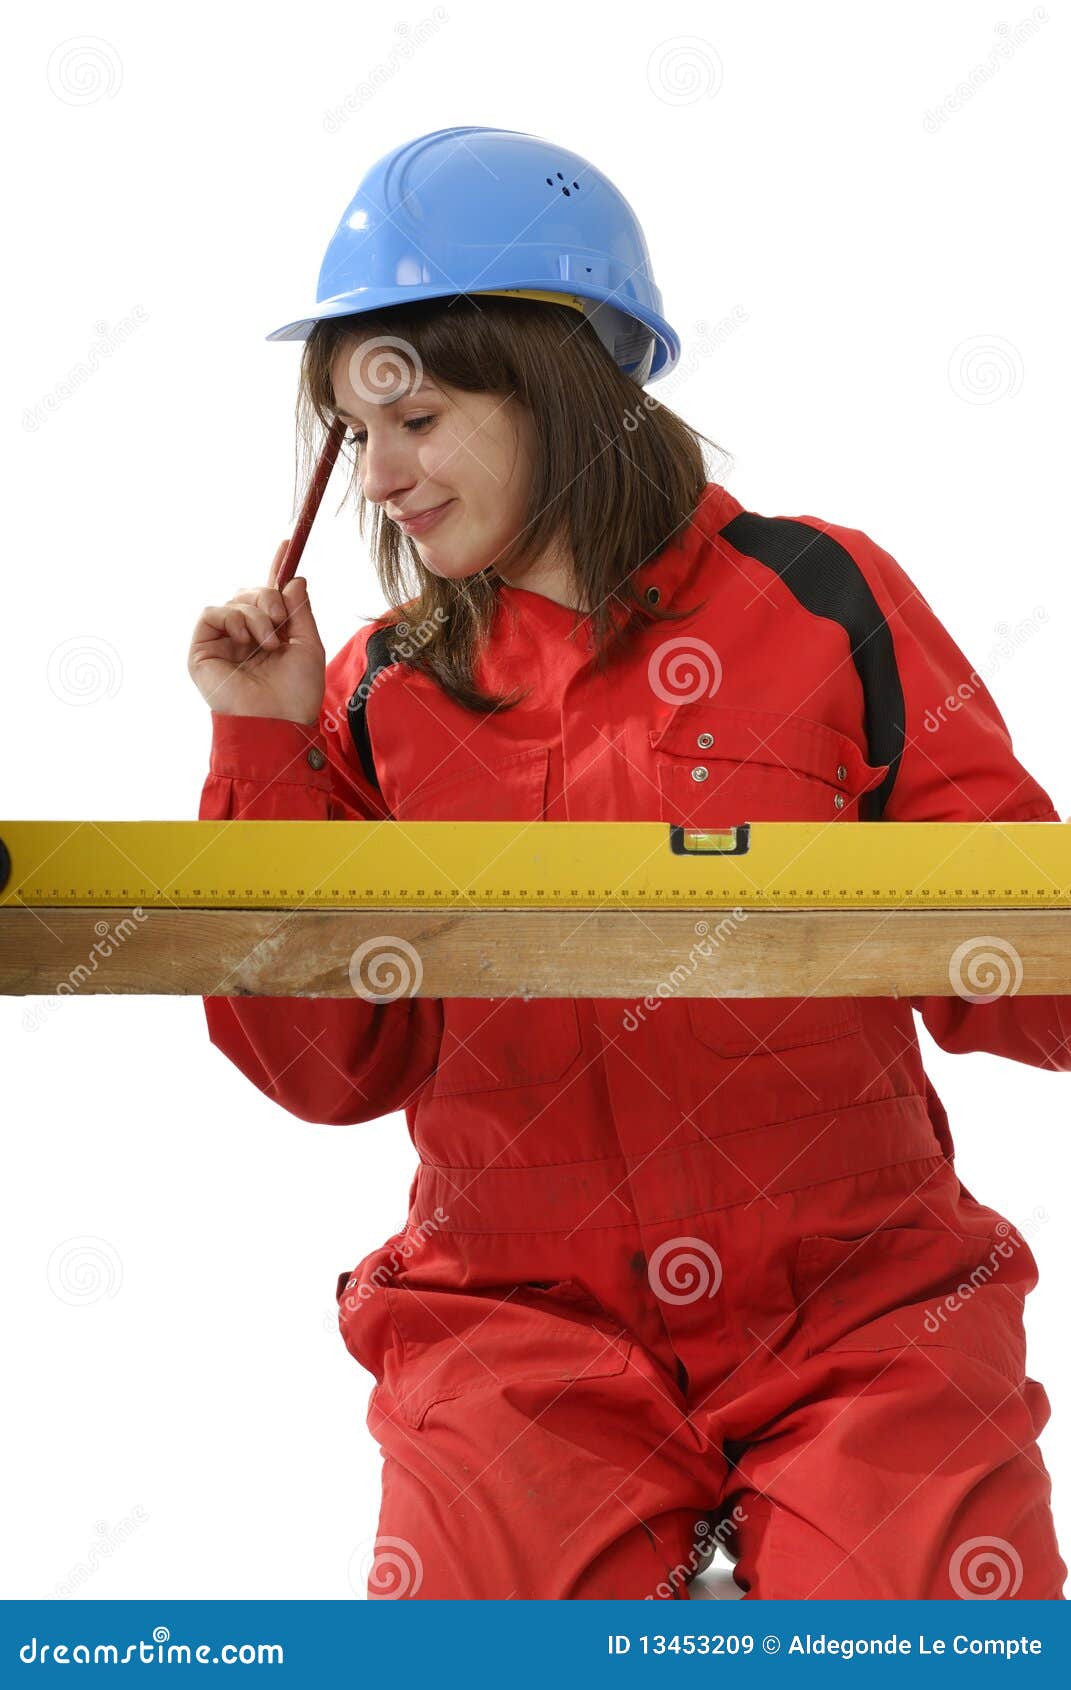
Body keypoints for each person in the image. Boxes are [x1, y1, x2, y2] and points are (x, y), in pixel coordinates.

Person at [187, 126, 1068, 1601]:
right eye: (355, 431)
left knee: (941, 1636)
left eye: (416, 414)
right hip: (513, 1332)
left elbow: (1027, 979)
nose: (382, 475)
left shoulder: (822, 598)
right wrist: (262, 754)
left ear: (557, 377)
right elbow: (331, 1066)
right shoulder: (375, 691)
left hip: (866, 1309)